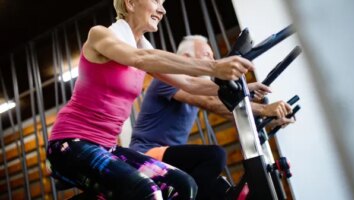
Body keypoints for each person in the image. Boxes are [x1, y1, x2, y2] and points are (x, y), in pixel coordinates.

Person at [46, 0, 255, 199]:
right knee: (148, 192)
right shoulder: (100, 35)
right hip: (69, 143)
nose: (162, 10)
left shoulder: (143, 49)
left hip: (107, 147)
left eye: (163, 4)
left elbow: (190, 84)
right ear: (130, 3)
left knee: (183, 185)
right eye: (156, 1)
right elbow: (140, 58)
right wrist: (214, 67)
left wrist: (244, 87)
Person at [129, 35, 294, 200]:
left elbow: (229, 111)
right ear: (186, 58)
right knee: (215, 156)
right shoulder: (168, 78)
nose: (213, 60)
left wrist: (272, 119)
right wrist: (264, 109)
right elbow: (210, 102)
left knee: (226, 192)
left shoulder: (196, 85)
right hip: (146, 156)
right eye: (207, 55)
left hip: (172, 163)